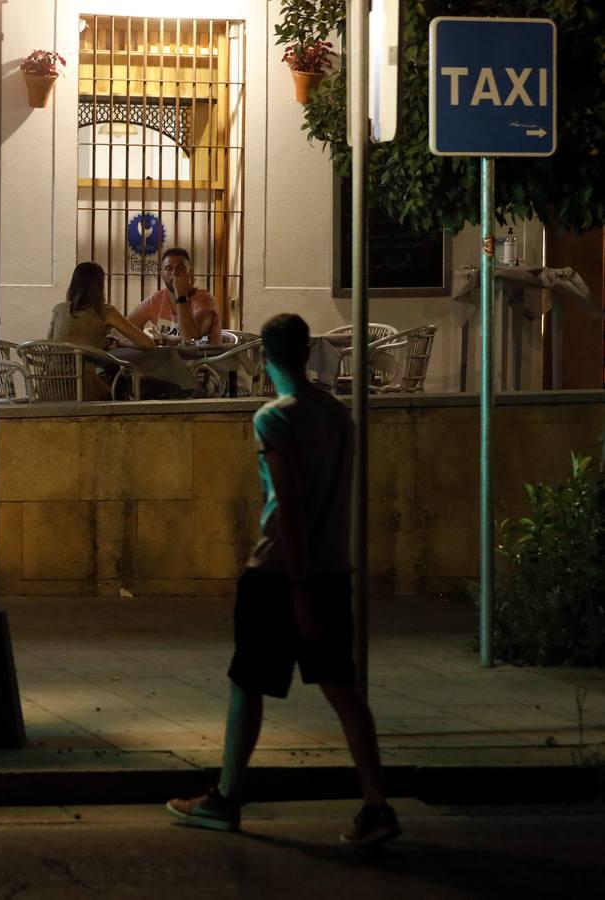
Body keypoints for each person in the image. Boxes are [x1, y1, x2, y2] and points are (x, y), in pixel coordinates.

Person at [166, 313, 399, 848]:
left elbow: (288, 504)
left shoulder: (273, 419)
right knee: (344, 688)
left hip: (279, 572)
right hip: (333, 568)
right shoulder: (341, 417)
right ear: (309, 352)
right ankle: (375, 802)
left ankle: (225, 797)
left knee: (248, 682)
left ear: (265, 358)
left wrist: (297, 590)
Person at [48, 261, 156, 400]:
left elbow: (49, 346)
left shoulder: (59, 309)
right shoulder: (105, 311)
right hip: (84, 388)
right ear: (99, 285)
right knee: (129, 390)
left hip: (51, 386)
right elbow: (147, 344)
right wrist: (122, 343)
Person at [125, 247, 223, 344]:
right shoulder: (156, 300)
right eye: (169, 268)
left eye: (180, 268)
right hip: (166, 358)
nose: (175, 273)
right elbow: (122, 329)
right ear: (162, 274)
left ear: (190, 272)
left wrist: (180, 294)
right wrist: (143, 339)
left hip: (205, 359)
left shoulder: (204, 299)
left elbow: (191, 338)